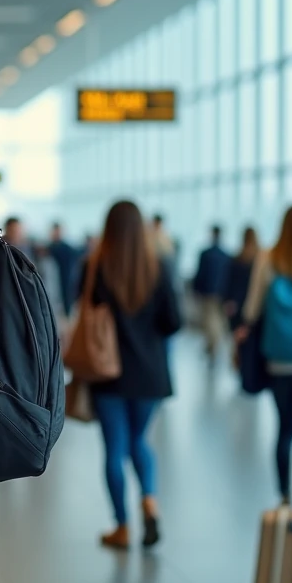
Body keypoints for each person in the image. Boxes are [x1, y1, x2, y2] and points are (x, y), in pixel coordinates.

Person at [82, 201, 182, 550]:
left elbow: (83, 311)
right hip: (150, 375)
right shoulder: (160, 267)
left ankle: (122, 527)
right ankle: (150, 502)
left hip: (108, 373)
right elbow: (174, 322)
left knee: (114, 448)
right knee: (140, 441)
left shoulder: (95, 267)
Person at [236, 207, 292, 509]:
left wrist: (244, 330)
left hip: (279, 360)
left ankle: (285, 495)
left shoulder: (268, 260)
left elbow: (251, 309)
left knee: (285, 429)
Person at [193, 225, 232, 360]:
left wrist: (196, 289)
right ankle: (214, 343)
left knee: (210, 320)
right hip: (221, 292)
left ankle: (213, 344)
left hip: (209, 291)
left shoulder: (206, 254)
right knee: (216, 319)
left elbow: (200, 273)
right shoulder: (226, 255)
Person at [223, 226, 259, 331]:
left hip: (236, 303)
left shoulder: (237, 258)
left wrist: (228, 300)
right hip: (252, 303)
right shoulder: (257, 260)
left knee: (237, 335)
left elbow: (230, 282)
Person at [45, 222, 84, 318]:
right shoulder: (49, 249)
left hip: (67, 282)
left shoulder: (66, 248)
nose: (57, 233)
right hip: (53, 285)